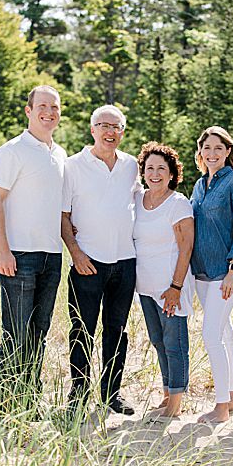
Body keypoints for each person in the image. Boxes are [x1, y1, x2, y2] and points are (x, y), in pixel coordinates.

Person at [0, 85, 67, 416]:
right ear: (29, 110)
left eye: (55, 107)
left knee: (39, 334)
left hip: (52, 256)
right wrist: (2, 251)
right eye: (43, 106)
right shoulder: (12, 151)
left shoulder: (59, 154)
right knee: (15, 336)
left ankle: (30, 405)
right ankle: (9, 411)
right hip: (18, 257)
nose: (49, 112)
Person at [61, 105, 140, 417]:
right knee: (82, 329)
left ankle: (111, 394)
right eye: (104, 125)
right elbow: (63, 216)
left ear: (123, 131)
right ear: (92, 129)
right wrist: (76, 253)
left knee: (117, 330)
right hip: (87, 263)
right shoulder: (72, 166)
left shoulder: (132, 166)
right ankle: (78, 394)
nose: (110, 132)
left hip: (125, 262)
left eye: (116, 126)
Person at [189, 126, 233, 424]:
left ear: (228, 151)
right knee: (224, 332)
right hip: (201, 272)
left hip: (225, 273)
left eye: (218, 148)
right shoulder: (200, 186)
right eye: (207, 148)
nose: (212, 153)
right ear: (200, 153)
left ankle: (222, 406)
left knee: (211, 334)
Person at [132, 142, 195, 418]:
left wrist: (176, 287)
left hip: (170, 288)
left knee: (175, 343)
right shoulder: (138, 200)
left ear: (172, 174)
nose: (155, 173)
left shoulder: (178, 203)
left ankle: (176, 404)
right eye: (150, 168)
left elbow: (186, 247)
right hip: (145, 288)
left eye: (161, 168)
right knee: (158, 341)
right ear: (143, 172)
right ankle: (167, 392)